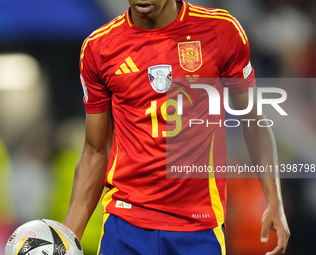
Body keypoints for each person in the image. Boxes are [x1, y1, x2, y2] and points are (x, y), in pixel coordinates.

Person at [64, 1, 290, 254]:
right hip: (125, 223)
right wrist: (66, 238)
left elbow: (254, 122)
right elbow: (94, 151)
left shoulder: (220, 30)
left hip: (199, 228)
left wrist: (274, 202)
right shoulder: (99, 47)